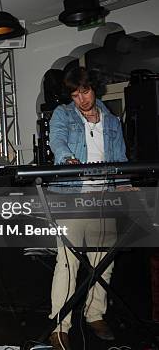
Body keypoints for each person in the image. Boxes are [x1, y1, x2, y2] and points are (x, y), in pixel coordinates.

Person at [48, 67, 127, 349]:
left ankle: (95, 315)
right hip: (71, 196)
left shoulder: (112, 121)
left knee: (102, 263)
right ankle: (60, 326)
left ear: (95, 88)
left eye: (85, 91)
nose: (81, 99)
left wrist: (125, 184)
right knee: (67, 264)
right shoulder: (64, 115)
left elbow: (120, 157)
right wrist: (67, 158)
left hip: (103, 197)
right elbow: (57, 140)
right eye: (75, 94)